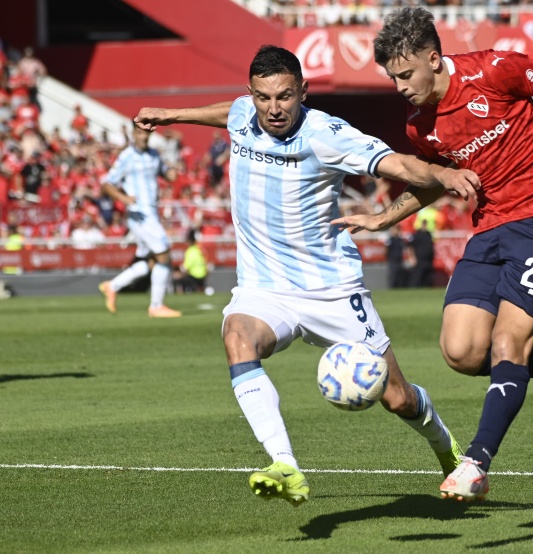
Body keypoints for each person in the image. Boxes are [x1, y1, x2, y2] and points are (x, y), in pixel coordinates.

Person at [133, 44, 481, 506]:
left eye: (284, 96)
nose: (273, 109)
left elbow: (396, 163)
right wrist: (173, 116)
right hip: (263, 288)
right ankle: (285, 465)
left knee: (398, 399)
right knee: (237, 336)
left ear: (303, 91)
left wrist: (440, 172)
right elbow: (229, 113)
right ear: (251, 94)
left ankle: (446, 449)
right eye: (263, 97)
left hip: (331, 290)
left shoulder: (327, 134)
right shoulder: (244, 113)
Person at [334, 7, 533, 501]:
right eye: (393, 78)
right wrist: (382, 219)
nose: (401, 87)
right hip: (491, 230)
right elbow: (434, 181)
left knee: (506, 346)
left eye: (406, 74)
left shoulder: (495, 69)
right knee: (462, 353)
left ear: (434, 58)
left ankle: (475, 463)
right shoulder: (420, 126)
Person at [98, 124, 182, 318]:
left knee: (151, 261)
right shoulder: (126, 156)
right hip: (139, 214)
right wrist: (124, 199)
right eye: (140, 132)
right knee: (164, 255)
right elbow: (107, 183)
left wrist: (170, 174)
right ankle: (156, 306)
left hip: (151, 214)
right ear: (134, 133)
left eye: (147, 133)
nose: (144, 136)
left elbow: (164, 173)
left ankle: (112, 286)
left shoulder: (153, 154)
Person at [173, 229, 208, 294]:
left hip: (195, 277)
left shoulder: (190, 251)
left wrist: (178, 275)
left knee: (176, 278)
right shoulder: (198, 250)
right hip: (203, 276)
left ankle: (181, 295)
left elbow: (185, 268)